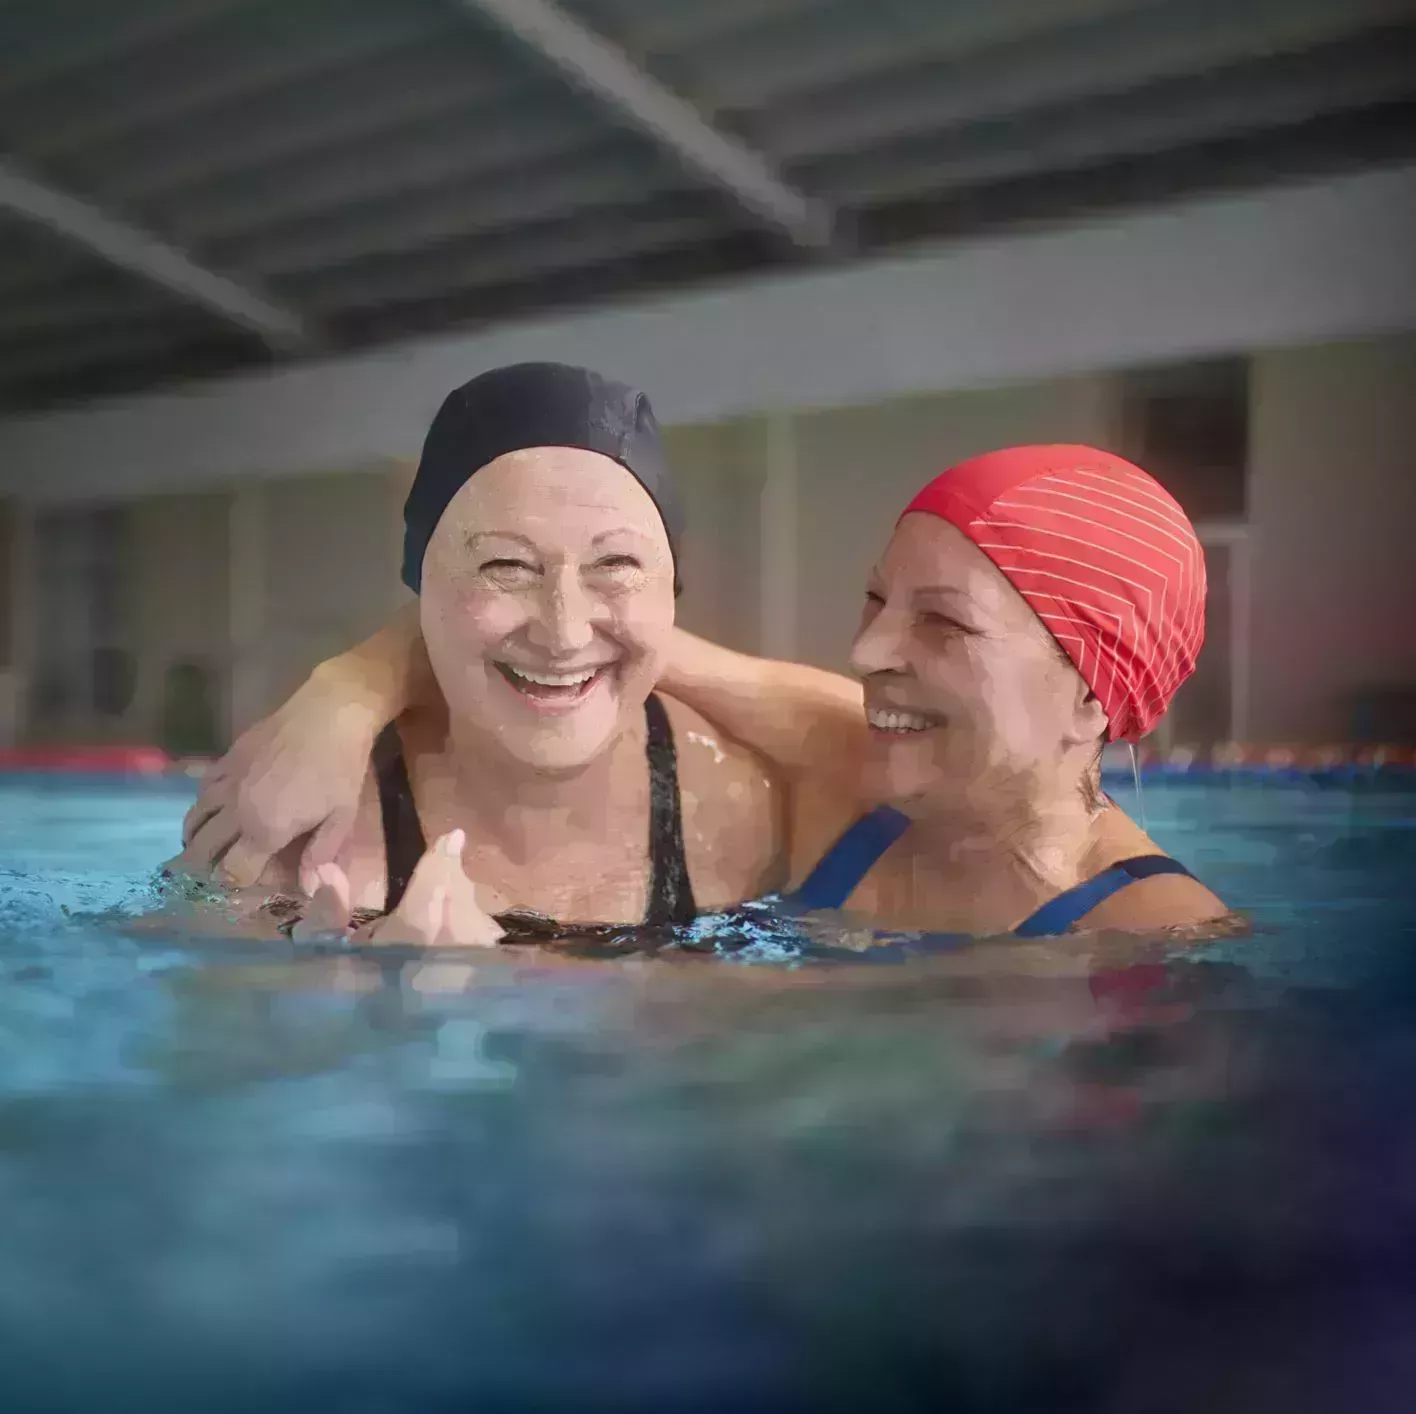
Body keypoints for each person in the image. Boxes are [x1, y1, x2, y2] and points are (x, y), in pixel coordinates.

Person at [182, 444, 1229, 943]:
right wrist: (347, 686)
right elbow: (607, 642)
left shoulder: (1164, 939)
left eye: (940, 621)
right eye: (875, 599)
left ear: (1095, 694)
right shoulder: (846, 777)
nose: (867, 649)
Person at [167, 362, 786, 946]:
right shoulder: (295, 833)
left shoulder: (746, 818)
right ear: (421, 592)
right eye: (506, 566)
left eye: (616, 564)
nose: (564, 632)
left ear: (671, 587)